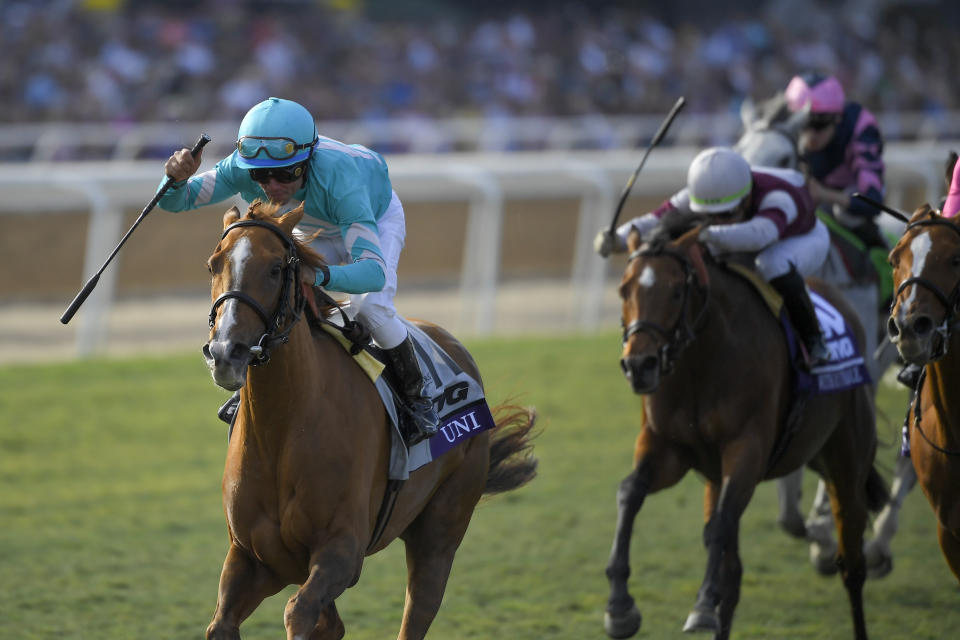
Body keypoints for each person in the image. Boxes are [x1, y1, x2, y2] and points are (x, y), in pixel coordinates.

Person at [159, 96, 439, 445]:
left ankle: (417, 397)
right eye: (262, 176)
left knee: (370, 308)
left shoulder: (341, 179)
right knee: (279, 294)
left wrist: (321, 277)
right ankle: (254, 381)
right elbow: (175, 201)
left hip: (372, 217)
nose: (273, 187)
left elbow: (372, 272)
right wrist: (173, 178)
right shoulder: (240, 168)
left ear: (307, 159)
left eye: (286, 173)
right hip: (312, 225)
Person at [595, 146, 830, 365]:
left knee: (771, 263)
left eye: (726, 213)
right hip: (755, 233)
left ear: (747, 198)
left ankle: (813, 338)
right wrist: (617, 237)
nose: (718, 221)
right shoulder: (703, 191)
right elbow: (654, 221)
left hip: (800, 238)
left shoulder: (778, 197)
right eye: (709, 215)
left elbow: (761, 235)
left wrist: (707, 233)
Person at [784, 72, 887, 253]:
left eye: (820, 124)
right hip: (813, 200)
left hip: (847, 200)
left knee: (845, 215)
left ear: (837, 119)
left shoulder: (859, 127)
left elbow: (873, 201)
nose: (811, 134)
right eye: (803, 124)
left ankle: (870, 265)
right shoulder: (783, 133)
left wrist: (824, 194)